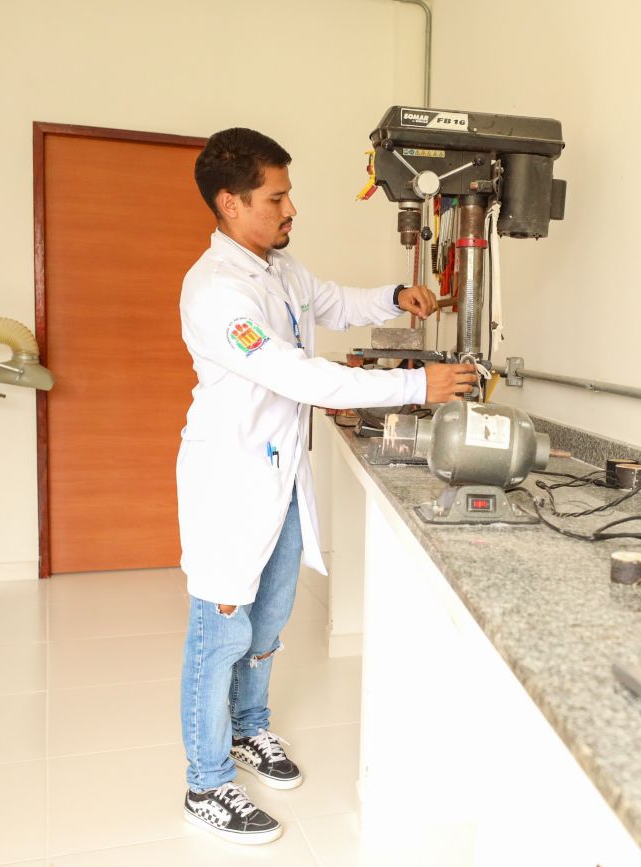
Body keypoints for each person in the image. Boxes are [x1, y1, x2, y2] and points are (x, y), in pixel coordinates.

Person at [176, 127, 477, 845]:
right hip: (230, 484)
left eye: (288, 195)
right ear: (230, 203)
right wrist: (416, 384)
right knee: (220, 634)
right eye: (276, 198)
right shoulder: (217, 291)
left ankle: (249, 729)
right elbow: (298, 375)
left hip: (280, 476)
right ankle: (206, 782)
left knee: (267, 624)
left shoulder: (278, 268)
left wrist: (396, 296)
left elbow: (334, 302)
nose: (291, 209)